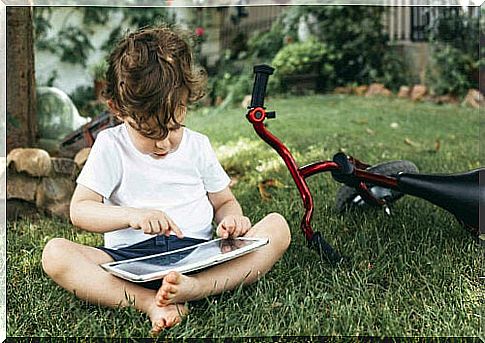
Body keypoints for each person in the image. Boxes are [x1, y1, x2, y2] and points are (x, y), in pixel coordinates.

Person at [41, 26, 291, 335]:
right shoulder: (110, 145)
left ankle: (194, 288)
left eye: (173, 127)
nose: (163, 144)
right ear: (118, 110)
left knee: (277, 226)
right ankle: (149, 301)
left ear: (187, 102)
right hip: (129, 262)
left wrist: (232, 220)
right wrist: (132, 216)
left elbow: (224, 201)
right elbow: (81, 210)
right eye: (148, 132)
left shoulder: (198, 145)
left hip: (199, 253)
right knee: (55, 253)